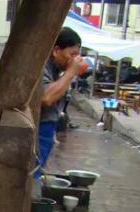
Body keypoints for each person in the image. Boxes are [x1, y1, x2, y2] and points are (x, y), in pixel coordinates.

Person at [38, 27, 82, 172]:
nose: (75, 59)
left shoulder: (56, 69)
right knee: (33, 176)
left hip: (46, 130)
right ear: (56, 50)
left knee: (38, 171)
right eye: (72, 54)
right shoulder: (42, 66)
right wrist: (71, 72)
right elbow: (46, 98)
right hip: (38, 130)